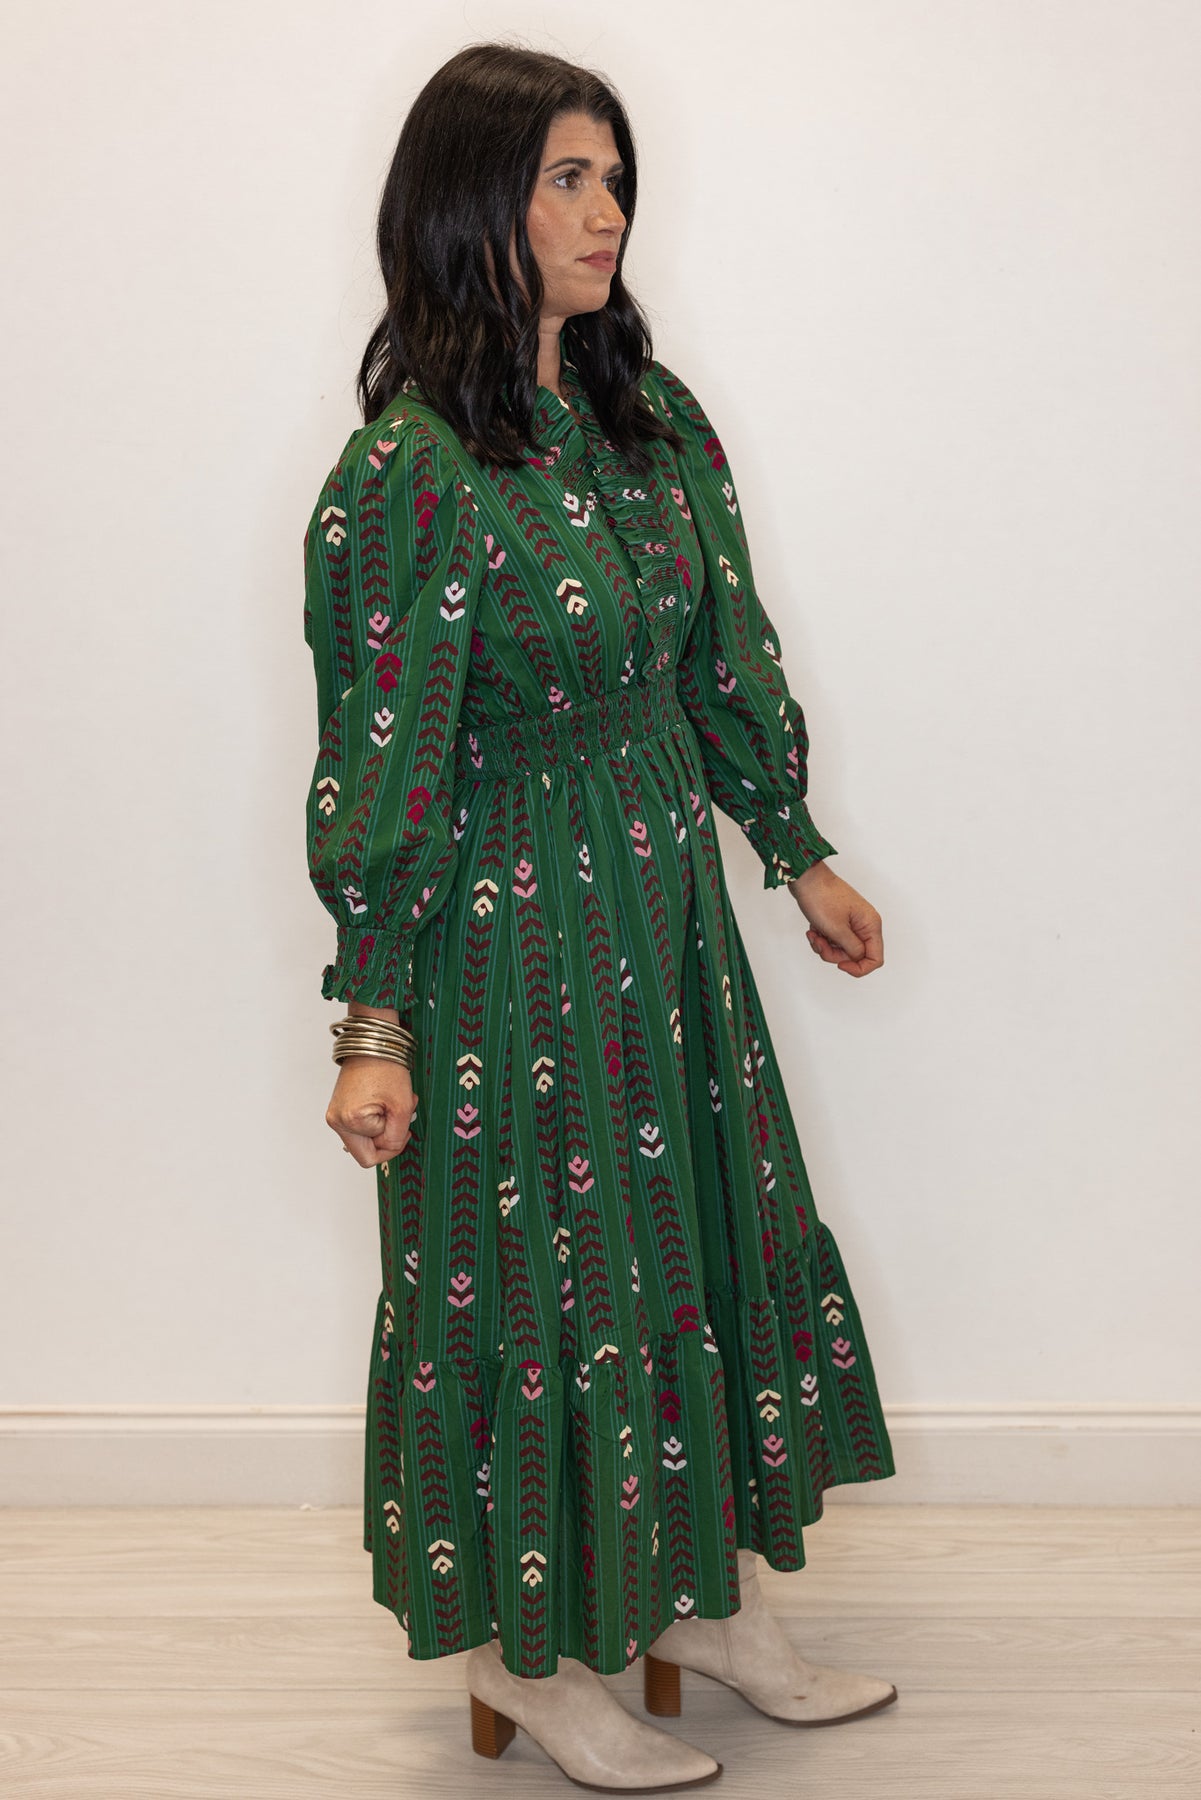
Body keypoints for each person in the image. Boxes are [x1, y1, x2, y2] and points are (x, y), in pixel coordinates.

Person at [302, 41, 898, 1792]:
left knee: (684, 1241)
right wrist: (373, 1024)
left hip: (660, 908)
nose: (607, 211)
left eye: (613, 177)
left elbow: (720, 655)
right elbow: (383, 762)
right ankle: (527, 1652)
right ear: (468, 204)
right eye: (565, 178)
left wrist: (792, 849)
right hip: (505, 937)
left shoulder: (651, 422)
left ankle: (698, 1603)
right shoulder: (409, 474)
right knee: (536, 1280)